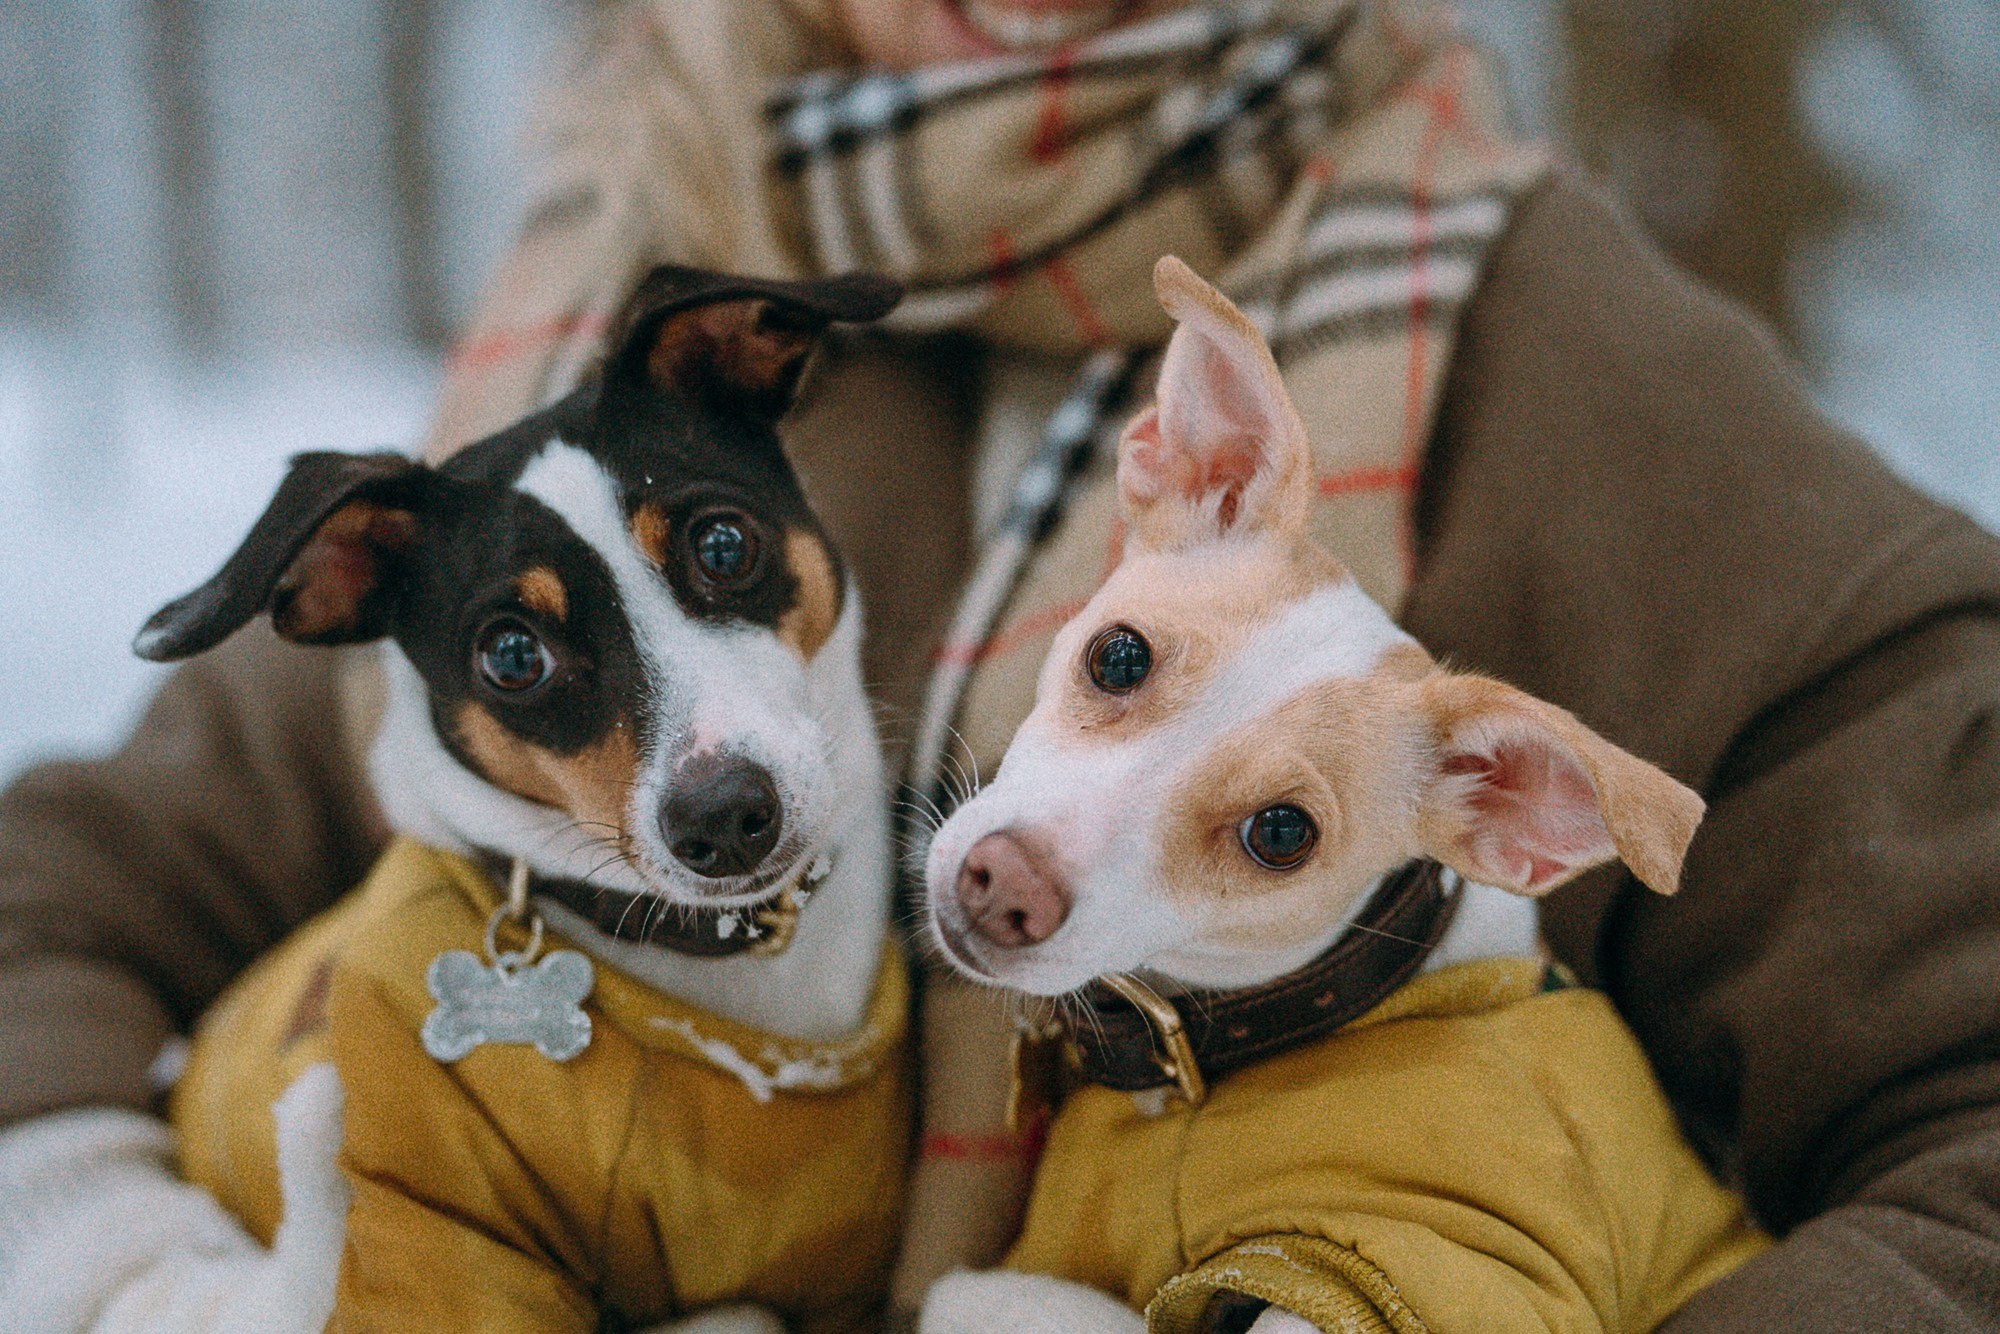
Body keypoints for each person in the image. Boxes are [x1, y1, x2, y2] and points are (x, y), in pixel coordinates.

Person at [3, 1, 1997, 1330]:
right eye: (1112, 667)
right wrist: (115, 1264)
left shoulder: (1571, 363)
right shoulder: (627, 336)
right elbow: (74, 899)